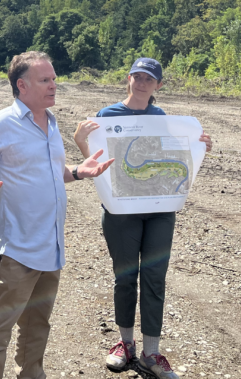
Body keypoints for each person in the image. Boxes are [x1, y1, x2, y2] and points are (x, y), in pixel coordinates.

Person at [0, 51, 115, 379]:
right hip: (18, 251)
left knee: (37, 328)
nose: (53, 85)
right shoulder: (2, 123)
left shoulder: (50, 122)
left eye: (54, 79)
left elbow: (51, 170)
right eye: (45, 80)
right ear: (22, 85)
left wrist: (78, 171)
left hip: (51, 249)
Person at [74, 57, 212, 379]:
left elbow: (172, 156)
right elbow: (97, 163)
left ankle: (152, 353)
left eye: (148, 79)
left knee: (155, 278)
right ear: (128, 78)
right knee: (125, 278)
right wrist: (82, 142)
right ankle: (125, 345)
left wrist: (200, 146)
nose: (141, 82)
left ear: (158, 86)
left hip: (160, 213)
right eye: (137, 76)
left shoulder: (162, 118)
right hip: (121, 212)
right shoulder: (107, 116)